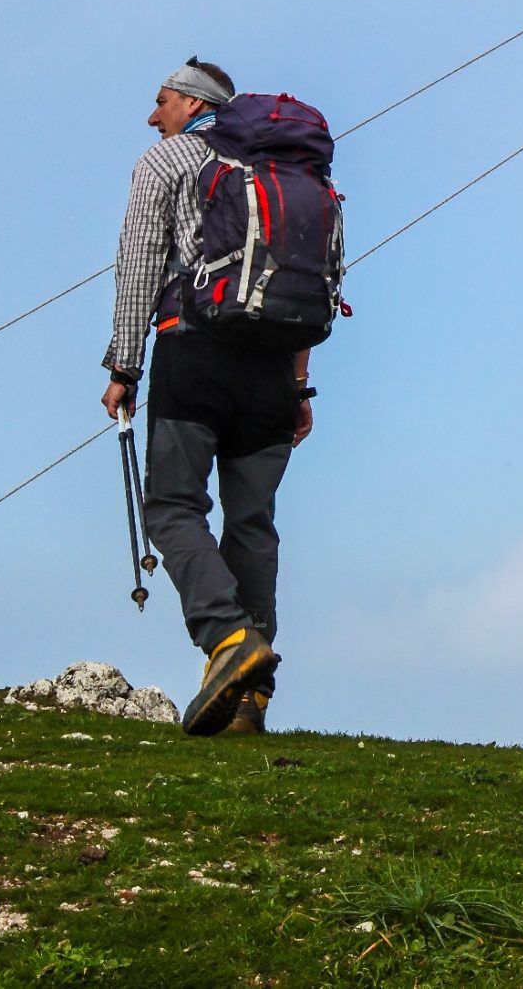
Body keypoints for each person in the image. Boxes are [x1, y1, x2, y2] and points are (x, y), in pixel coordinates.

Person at [102, 58, 314, 737]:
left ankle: (228, 640)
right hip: (275, 367)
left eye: (160, 100)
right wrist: (299, 383)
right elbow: (303, 281)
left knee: (170, 506)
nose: (151, 115)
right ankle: (249, 701)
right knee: (252, 521)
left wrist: (124, 363)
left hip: (195, 350)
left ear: (193, 103)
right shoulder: (284, 170)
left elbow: (138, 259)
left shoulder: (167, 162)